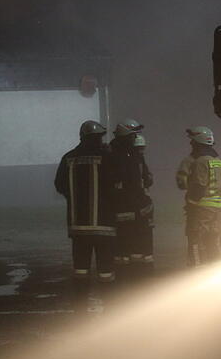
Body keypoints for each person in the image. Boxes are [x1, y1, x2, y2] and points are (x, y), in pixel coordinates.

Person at [55, 120, 116, 313]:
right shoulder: (107, 157)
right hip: (105, 225)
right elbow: (117, 183)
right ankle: (109, 307)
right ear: (97, 137)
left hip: (78, 227)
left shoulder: (69, 158)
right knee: (106, 270)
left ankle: (80, 308)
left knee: (80, 269)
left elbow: (59, 185)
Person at [176, 126, 221, 267]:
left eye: (192, 141)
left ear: (197, 142)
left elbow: (199, 185)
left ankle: (196, 270)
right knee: (215, 241)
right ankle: (215, 270)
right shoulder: (217, 162)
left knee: (195, 240)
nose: (191, 144)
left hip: (200, 209)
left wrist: (191, 202)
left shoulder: (198, 162)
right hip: (217, 211)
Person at [108, 118, 147, 266]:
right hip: (121, 208)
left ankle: (134, 275)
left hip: (134, 208)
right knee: (121, 246)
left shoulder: (132, 154)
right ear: (126, 135)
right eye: (133, 135)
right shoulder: (114, 154)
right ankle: (123, 276)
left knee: (133, 246)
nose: (135, 138)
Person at [130, 134, 155, 268]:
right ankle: (146, 263)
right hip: (144, 205)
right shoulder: (139, 161)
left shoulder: (132, 160)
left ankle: (140, 264)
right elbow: (148, 180)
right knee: (144, 235)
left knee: (138, 236)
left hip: (141, 205)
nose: (141, 151)